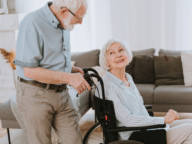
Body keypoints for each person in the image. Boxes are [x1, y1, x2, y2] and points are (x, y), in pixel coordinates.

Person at [13, 0, 91, 144]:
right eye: (79, 18)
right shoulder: (32, 23)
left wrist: (71, 69)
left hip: (62, 93)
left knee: (75, 141)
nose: (80, 23)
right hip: (35, 95)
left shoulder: (65, 21)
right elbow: (30, 71)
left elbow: (51, 58)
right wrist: (69, 78)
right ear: (63, 11)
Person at [95, 38, 192, 144]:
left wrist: (162, 121)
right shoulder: (107, 85)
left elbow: (140, 109)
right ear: (106, 61)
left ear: (127, 53)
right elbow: (128, 120)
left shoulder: (127, 77)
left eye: (121, 50)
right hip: (133, 135)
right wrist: (163, 120)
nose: (118, 55)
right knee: (189, 129)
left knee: (190, 123)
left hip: (145, 127)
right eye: (111, 53)